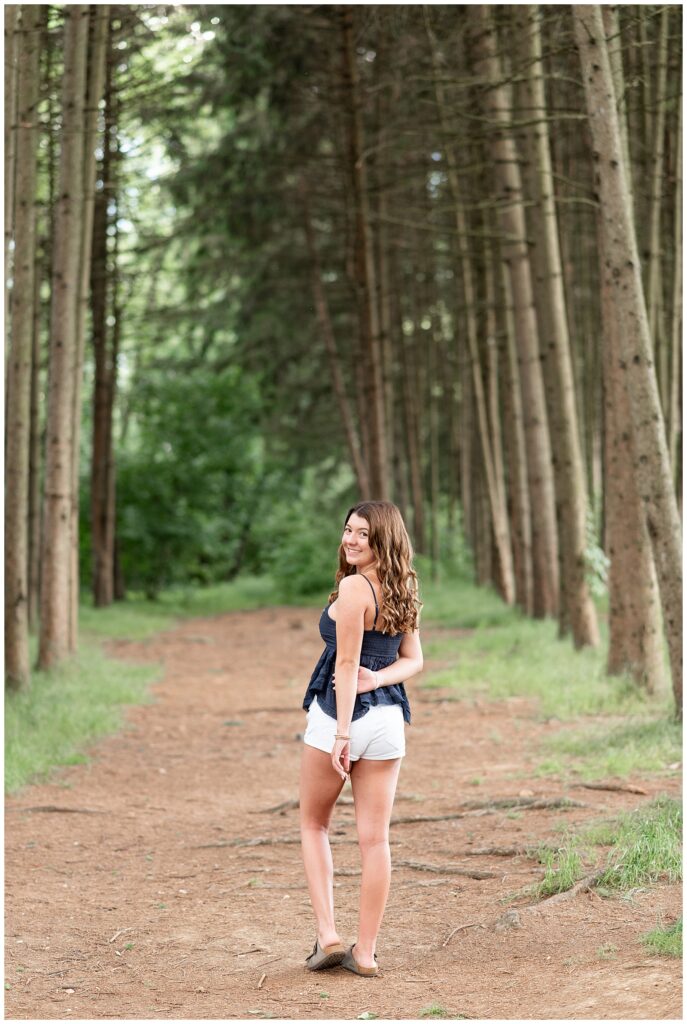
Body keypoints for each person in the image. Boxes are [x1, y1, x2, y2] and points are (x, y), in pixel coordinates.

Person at [299, 500, 423, 977]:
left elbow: (348, 665)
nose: (350, 540)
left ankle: (329, 935)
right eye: (348, 530)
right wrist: (382, 678)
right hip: (389, 719)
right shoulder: (403, 586)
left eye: (363, 534)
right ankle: (365, 953)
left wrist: (342, 733)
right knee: (375, 841)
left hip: (340, 717)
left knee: (314, 825)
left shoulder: (353, 588)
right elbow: (412, 660)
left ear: (382, 540)